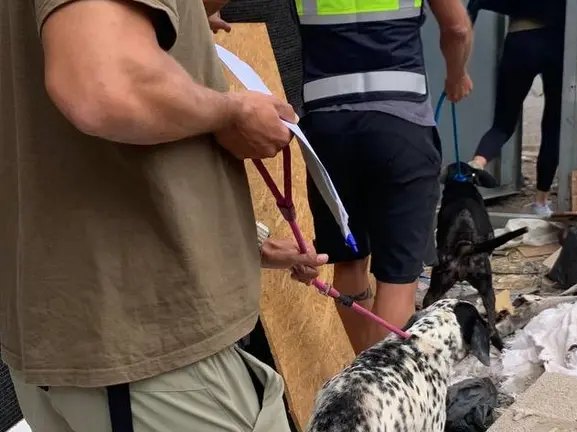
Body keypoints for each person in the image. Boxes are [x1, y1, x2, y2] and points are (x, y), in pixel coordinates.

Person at [0, 1, 328, 431]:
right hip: (143, 351)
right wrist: (231, 114)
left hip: (63, 337)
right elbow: (103, 85)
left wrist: (249, 240)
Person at [297, 0, 474, 353]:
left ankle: (362, 371)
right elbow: (456, 29)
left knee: (348, 261)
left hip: (327, 133)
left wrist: (207, 13)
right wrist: (456, 75)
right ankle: (378, 395)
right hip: (400, 126)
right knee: (397, 278)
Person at [467, 0, 567, 216]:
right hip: (559, 45)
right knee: (553, 127)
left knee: (503, 124)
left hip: (520, 41)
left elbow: (475, 4)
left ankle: (477, 163)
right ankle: (541, 202)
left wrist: (460, 57)